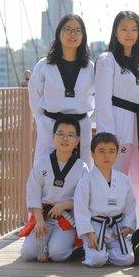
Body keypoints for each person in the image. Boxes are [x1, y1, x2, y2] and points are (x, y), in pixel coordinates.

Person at [94, 11, 139, 225]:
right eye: (124, 29)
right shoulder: (107, 60)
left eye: (134, 29)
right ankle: (110, 226)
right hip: (117, 124)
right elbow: (101, 100)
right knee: (115, 178)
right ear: (115, 32)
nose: (129, 33)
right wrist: (107, 135)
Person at [28, 14, 94, 167]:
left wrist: (82, 115)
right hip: (50, 125)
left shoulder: (90, 67)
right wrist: (43, 120)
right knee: (45, 169)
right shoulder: (44, 65)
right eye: (68, 29)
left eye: (78, 30)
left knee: (82, 172)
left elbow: (94, 97)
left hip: (80, 127)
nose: (73, 34)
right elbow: (34, 95)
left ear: (83, 36)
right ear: (59, 33)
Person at [20, 117, 89, 262]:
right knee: (27, 253)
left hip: (66, 218)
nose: (65, 138)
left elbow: (85, 198)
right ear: (53, 137)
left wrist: (64, 205)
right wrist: (39, 220)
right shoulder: (42, 163)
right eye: (60, 134)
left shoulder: (81, 167)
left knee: (57, 254)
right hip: (44, 216)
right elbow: (33, 193)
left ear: (77, 141)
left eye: (71, 135)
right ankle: (48, 240)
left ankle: (76, 248)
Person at [73, 133, 136, 267]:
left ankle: (105, 251)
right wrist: (89, 234)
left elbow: (130, 207)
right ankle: (93, 251)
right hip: (95, 227)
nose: (106, 156)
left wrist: (127, 226)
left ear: (117, 154)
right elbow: (81, 209)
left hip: (116, 228)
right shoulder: (86, 180)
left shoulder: (124, 179)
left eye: (111, 151)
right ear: (92, 153)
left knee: (127, 260)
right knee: (96, 261)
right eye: (101, 151)